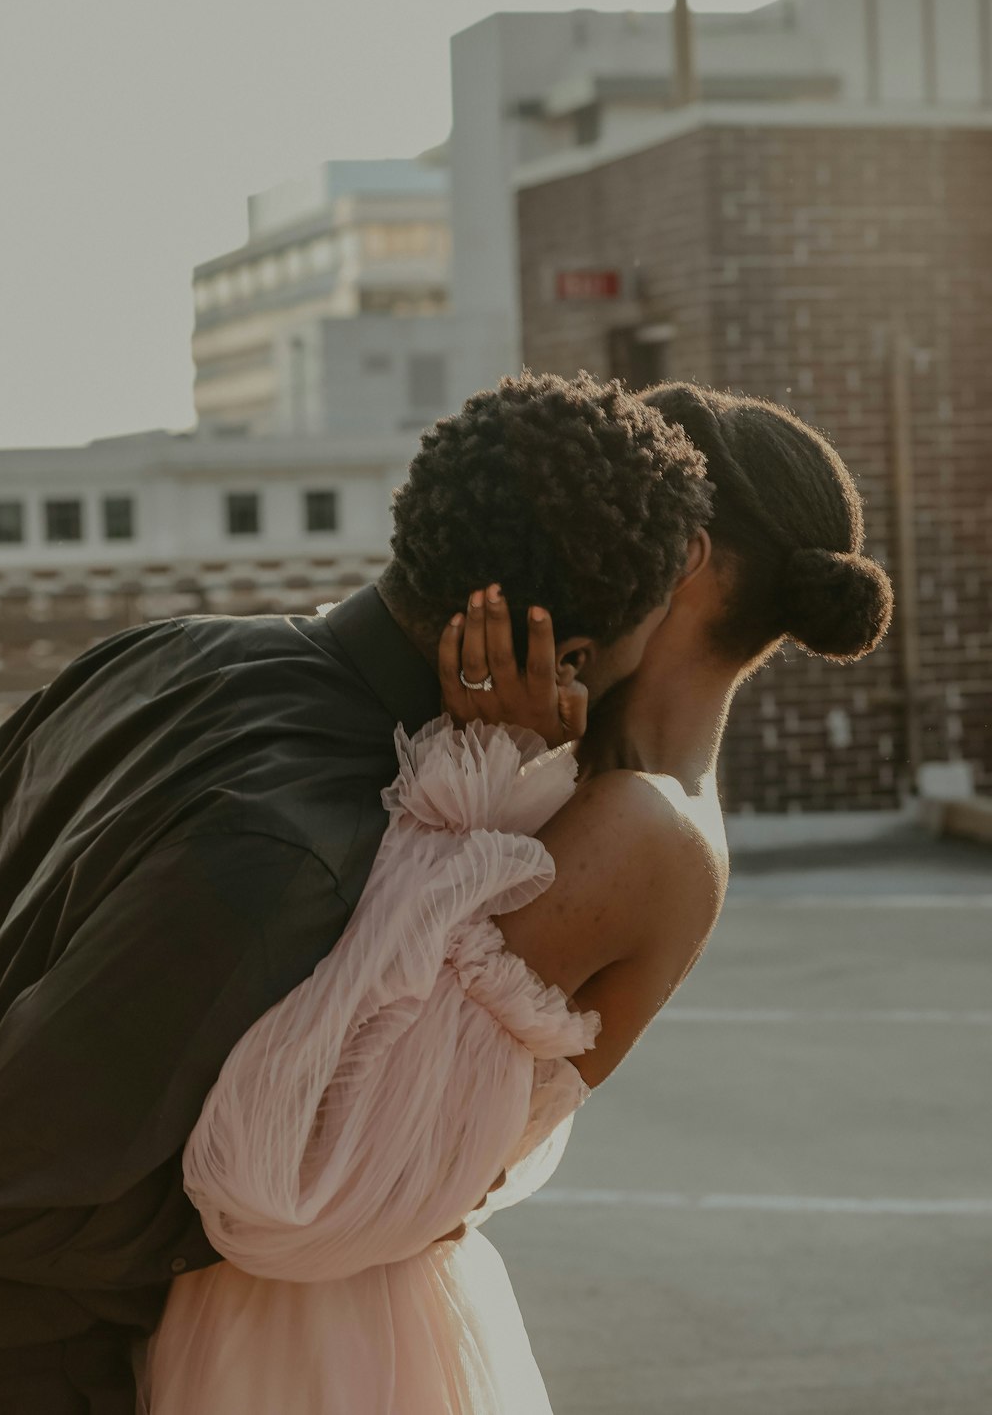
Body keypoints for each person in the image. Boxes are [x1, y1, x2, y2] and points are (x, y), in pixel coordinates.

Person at [136, 382, 893, 1413]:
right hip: (310, 1309)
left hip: (314, 1339)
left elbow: (311, 1129)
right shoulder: (604, 770)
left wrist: (489, 763)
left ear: (681, 556)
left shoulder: (638, 828)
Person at [0, 371, 711, 1413]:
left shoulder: (164, 651)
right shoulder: (299, 852)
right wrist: (348, 1202)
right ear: (563, 654)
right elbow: (28, 1185)